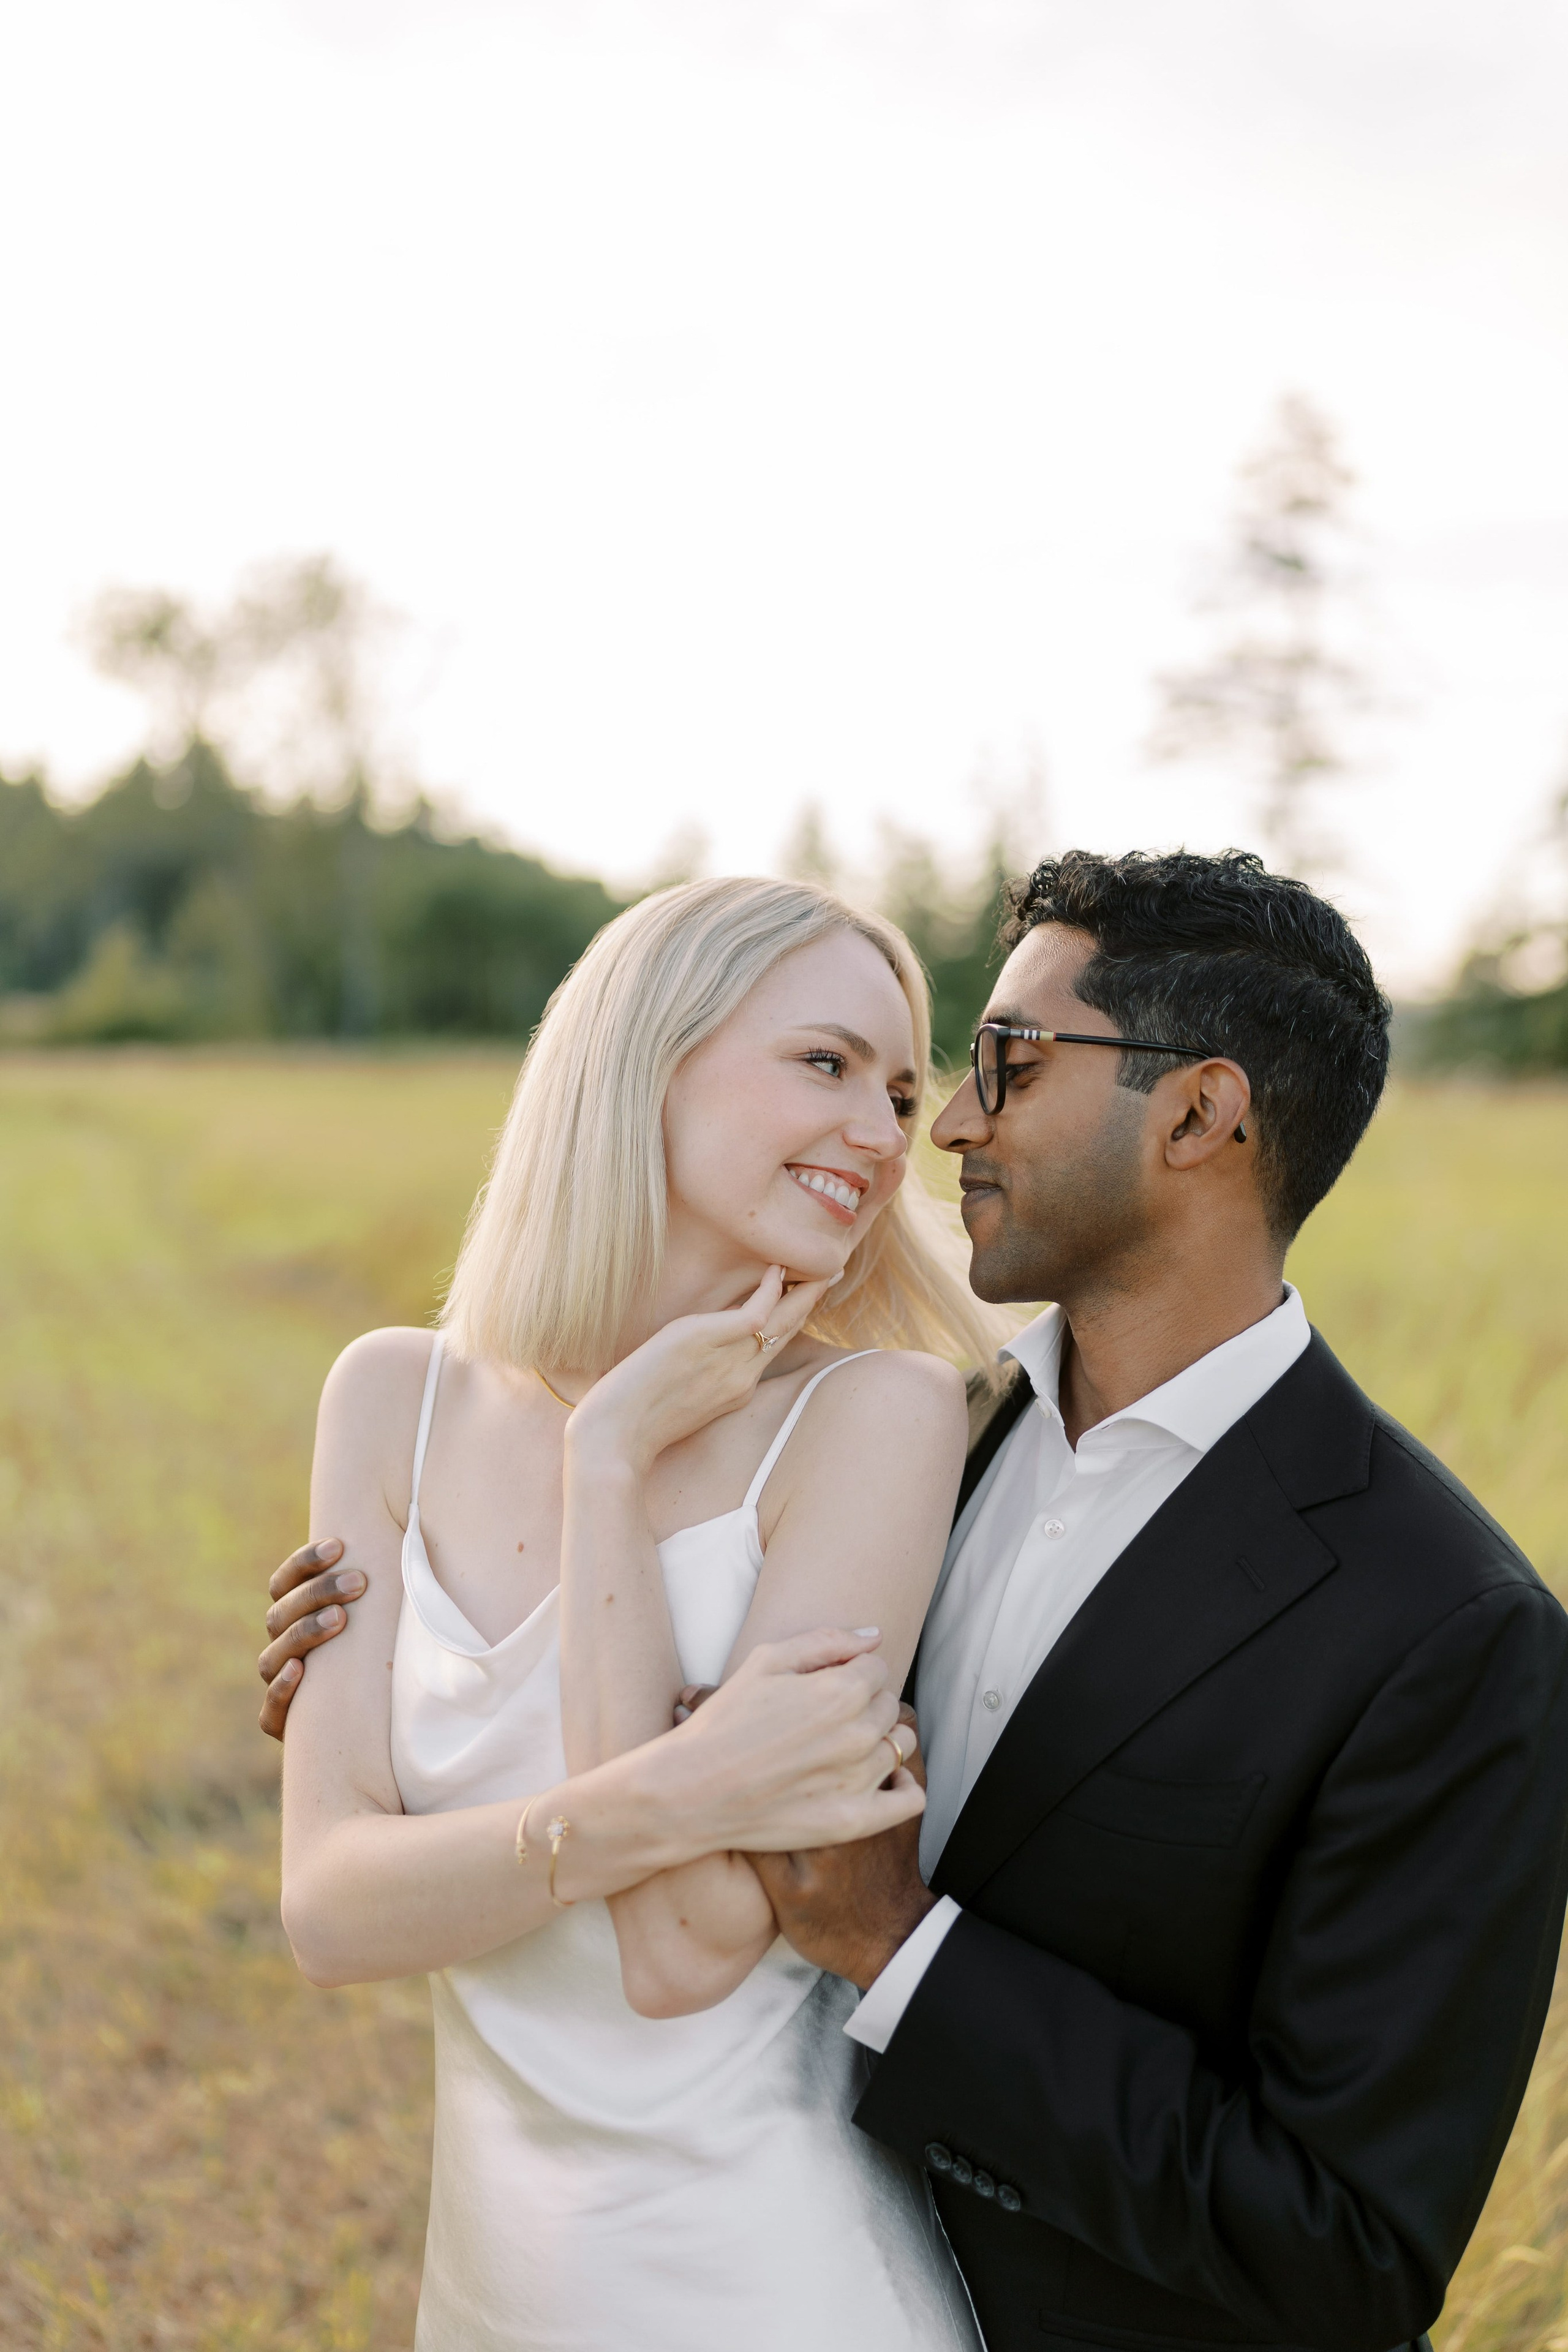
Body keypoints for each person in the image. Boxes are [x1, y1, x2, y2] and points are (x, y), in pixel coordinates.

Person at [265, 849, 1568, 2352]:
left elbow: (1344, 2246)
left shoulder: (1447, 1630)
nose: (934, 1128)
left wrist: (897, 1944)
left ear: (1201, 1115)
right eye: (890, 1075)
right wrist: (401, 1684)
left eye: (997, 1067)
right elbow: (425, 1835)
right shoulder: (954, 1428)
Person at [274, 875, 1000, 2352]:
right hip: (488, 2290)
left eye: (900, 1087)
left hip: (772, 2285)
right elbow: (326, 1913)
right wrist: (684, 1787)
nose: (882, 1130)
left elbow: (676, 1953)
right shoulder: (390, 1397)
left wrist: (607, 1465)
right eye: (824, 1062)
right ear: (640, 1056)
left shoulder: (877, 1415)